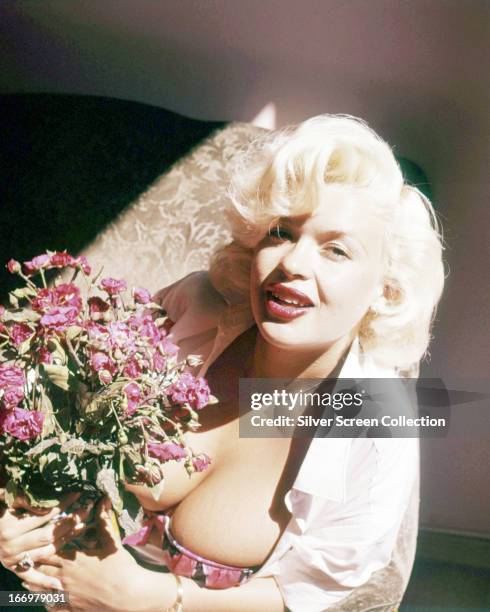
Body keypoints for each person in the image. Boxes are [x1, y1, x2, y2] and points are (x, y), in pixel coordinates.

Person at [0, 115, 445, 611]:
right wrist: (15, 515)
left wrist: (153, 600)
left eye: (336, 250)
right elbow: (43, 416)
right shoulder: (190, 310)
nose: (294, 263)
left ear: (384, 289)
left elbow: (306, 594)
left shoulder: (376, 431)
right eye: (281, 232)